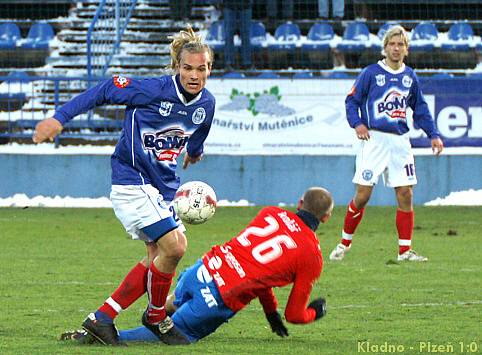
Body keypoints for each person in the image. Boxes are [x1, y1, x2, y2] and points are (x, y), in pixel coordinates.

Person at [33, 26, 216, 345]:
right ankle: (157, 317)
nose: (194, 75)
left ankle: (102, 318)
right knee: (175, 246)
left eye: (201, 68)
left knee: (158, 257)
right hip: (133, 181)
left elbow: (198, 132)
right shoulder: (152, 90)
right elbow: (104, 89)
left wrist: (195, 153)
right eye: (187, 68)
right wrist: (59, 118)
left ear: (209, 69)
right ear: (177, 67)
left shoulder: (207, 104)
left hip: (162, 190)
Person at [61, 187, 334, 345]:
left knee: (173, 304)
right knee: (164, 339)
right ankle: (97, 337)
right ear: (326, 217)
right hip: (216, 300)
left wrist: (269, 311)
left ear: (299, 204)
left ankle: (146, 315)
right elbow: (295, 314)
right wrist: (315, 312)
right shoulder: (312, 255)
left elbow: (255, 268)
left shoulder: (270, 213)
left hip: (201, 270)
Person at [329, 25, 444, 263]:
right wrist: (357, 123)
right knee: (363, 195)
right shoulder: (371, 73)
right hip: (374, 140)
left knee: (405, 193)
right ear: (385, 47)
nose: (396, 48)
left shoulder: (409, 76)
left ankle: (404, 251)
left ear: (406, 49)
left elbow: (419, 108)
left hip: (400, 142)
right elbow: (352, 101)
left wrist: (433, 133)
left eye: (400, 44)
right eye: (392, 44)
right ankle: (344, 243)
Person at [223, 0, 253, 70]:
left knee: (245, 36)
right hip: (229, 5)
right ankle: (229, 63)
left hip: (245, 5)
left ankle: (247, 63)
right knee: (229, 36)